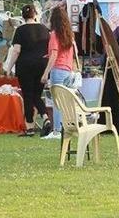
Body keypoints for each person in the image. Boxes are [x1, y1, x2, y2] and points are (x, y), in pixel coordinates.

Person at [6, 4, 50, 136]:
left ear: (23, 16)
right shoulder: (44, 29)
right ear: (35, 14)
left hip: (25, 65)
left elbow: (16, 50)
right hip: (42, 64)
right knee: (37, 95)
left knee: (28, 96)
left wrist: (9, 67)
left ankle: (30, 127)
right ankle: (45, 118)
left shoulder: (20, 30)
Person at [41, 7, 76, 140]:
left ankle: (56, 131)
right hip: (67, 69)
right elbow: (69, 54)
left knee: (57, 102)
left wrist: (45, 73)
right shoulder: (68, 34)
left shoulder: (54, 34)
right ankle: (65, 127)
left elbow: (55, 54)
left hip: (58, 70)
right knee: (66, 102)